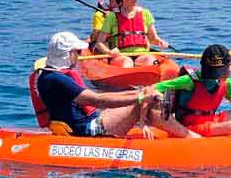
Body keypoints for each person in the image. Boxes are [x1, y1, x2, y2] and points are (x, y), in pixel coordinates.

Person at [29, 32, 166, 137]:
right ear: (67, 54)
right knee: (142, 104)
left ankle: (178, 134)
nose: (79, 55)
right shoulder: (57, 79)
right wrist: (140, 98)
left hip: (83, 123)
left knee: (145, 97)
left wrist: (140, 93)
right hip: (85, 128)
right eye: (77, 52)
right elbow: (98, 100)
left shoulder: (47, 75)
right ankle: (184, 138)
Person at [150, 44, 231, 137]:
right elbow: (155, 87)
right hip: (191, 124)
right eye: (227, 67)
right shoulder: (189, 81)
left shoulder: (225, 81)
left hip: (212, 118)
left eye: (230, 65)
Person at [90, 0, 171, 69]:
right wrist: (108, 52)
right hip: (121, 56)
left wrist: (160, 42)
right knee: (126, 63)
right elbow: (100, 43)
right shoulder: (112, 16)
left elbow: (153, 39)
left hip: (142, 55)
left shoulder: (145, 13)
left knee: (149, 61)